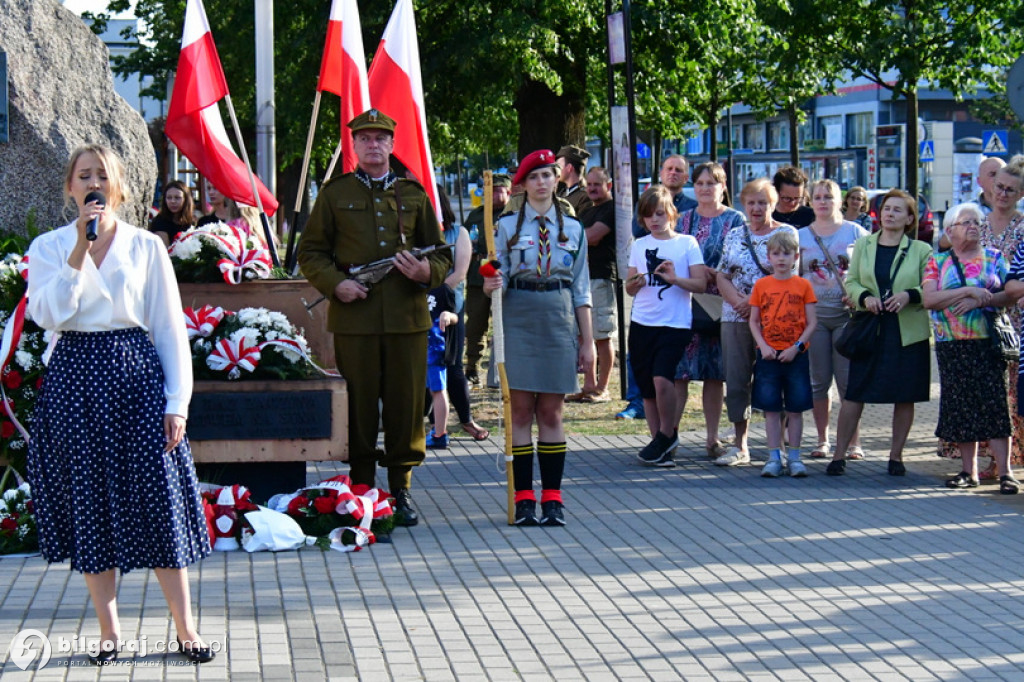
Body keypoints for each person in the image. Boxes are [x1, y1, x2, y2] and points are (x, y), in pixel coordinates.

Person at [26, 145, 213, 664]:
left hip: (136, 379)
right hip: (76, 382)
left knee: (158, 499)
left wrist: (178, 402)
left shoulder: (145, 247)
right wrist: (79, 253)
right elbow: (48, 314)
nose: (93, 183)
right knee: (90, 504)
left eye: (102, 176)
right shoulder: (49, 247)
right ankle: (110, 634)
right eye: (83, 176)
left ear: (119, 187)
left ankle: (186, 630)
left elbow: (169, 326)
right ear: (69, 188)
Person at [297, 109, 451, 527]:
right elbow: (310, 253)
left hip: (407, 319)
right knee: (360, 407)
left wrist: (425, 274)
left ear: (391, 144)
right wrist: (336, 285)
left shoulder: (414, 193)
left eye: (380, 138)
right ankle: (362, 487)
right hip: (356, 319)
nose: (372, 145)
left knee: (405, 405)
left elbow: (440, 254)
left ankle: (400, 488)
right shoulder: (334, 194)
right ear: (354, 145)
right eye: (364, 138)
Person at [482, 149, 594, 527]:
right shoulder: (507, 226)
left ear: (557, 178)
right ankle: (524, 497)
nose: (542, 182)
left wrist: (588, 342)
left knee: (551, 410)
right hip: (518, 314)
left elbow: (582, 290)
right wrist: (489, 281)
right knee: (520, 410)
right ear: (524, 184)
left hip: (558, 316)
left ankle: (554, 497)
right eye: (534, 177)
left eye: (548, 175)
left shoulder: (575, 229)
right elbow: (495, 277)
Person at [827, 190, 933, 477]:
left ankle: (896, 456)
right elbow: (852, 282)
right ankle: (838, 456)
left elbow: (933, 288)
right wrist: (864, 297)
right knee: (855, 392)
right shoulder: (863, 245)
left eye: (898, 210)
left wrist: (910, 295)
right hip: (870, 329)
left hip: (907, 331)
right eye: (887, 208)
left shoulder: (922, 250)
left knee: (905, 394)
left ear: (910, 218)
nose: (890, 214)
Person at [923, 203, 1021, 494]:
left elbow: (1010, 294)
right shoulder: (937, 262)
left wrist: (983, 300)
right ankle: (969, 471)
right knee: (961, 407)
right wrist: (967, 291)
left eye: (977, 221)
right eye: (966, 222)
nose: (974, 226)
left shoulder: (994, 258)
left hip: (988, 343)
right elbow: (930, 299)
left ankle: (1006, 472)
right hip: (951, 344)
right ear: (950, 230)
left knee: (995, 407)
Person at [938, 156, 1024, 475]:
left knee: (1008, 393)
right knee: (979, 391)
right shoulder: (977, 222)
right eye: (998, 186)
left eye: (1010, 190)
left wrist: (992, 296)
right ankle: (977, 463)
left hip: (1012, 319)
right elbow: (949, 254)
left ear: (1020, 194)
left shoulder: (1022, 227)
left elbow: (1016, 283)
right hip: (970, 320)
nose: (1002, 194)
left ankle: (1002, 462)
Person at [715, 178, 798, 466]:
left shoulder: (787, 233)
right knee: (737, 380)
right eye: (751, 202)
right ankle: (740, 445)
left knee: (776, 379)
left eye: (762, 202)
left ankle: (779, 447)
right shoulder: (735, 234)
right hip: (735, 316)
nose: (756, 208)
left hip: (775, 319)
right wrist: (738, 301)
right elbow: (722, 274)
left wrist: (756, 305)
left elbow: (791, 274)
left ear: (772, 204)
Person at [625, 186, 706, 467]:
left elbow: (701, 284)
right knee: (647, 387)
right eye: (648, 216)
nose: (654, 220)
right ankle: (661, 448)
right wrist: (633, 285)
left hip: (674, 324)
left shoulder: (687, 243)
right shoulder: (639, 245)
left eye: (659, 214)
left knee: (663, 379)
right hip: (641, 323)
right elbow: (629, 287)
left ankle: (667, 433)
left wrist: (674, 279)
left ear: (671, 212)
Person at [676, 162, 745, 458]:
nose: (705, 188)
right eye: (700, 183)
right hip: (686, 301)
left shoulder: (736, 219)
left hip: (722, 304)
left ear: (723, 186)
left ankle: (712, 439)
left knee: (714, 374)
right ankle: (670, 435)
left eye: (712, 182)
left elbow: (742, 261)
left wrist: (711, 272)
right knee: (680, 372)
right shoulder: (682, 220)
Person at [799, 179, 868, 461]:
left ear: (840, 201)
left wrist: (860, 295)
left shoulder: (857, 232)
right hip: (814, 317)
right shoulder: (800, 235)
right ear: (811, 201)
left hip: (846, 317)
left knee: (848, 382)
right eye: (818, 197)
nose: (823, 201)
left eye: (829, 196)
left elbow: (867, 271)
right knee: (818, 381)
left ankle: (854, 441)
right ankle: (822, 439)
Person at [748, 230, 817, 478]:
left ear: (795, 256)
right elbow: (754, 322)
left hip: (795, 356)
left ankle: (795, 457)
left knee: (796, 408)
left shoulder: (803, 285)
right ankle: (773, 456)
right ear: (768, 257)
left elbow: (811, 323)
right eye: (776, 254)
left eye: (786, 254)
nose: (781, 259)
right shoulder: (761, 285)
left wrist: (796, 347)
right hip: (768, 356)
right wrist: (763, 346)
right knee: (771, 409)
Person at [436, 186, 489, 441]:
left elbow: (460, 273)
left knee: (453, 365)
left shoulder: (459, 234)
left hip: (448, 307)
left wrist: (436, 292)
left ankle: (466, 420)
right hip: (415, 307)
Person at [567, 166, 617, 403]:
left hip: (600, 278)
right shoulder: (588, 211)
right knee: (582, 336)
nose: (593, 189)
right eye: (590, 184)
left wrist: (568, 238)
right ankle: (587, 386)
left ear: (609, 186)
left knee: (601, 335)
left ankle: (602, 388)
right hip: (581, 279)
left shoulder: (611, 210)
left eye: (598, 184)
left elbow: (592, 237)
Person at [463, 174, 512, 386]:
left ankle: (505, 371)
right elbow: (465, 243)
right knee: (475, 324)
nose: (492, 194)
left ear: (508, 192)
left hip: (503, 277)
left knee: (506, 324)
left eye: (498, 190)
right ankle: (472, 366)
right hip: (477, 277)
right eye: (488, 190)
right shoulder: (475, 216)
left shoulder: (513, 216)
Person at [425, 283, 458, 449]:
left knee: (437, 390)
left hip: (434, 348)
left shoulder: (442, 289)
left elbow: (456, 316)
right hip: (410, 347)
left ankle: (439, 434)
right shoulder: (406, 286)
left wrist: (448, 315)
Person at [631, 155, 698, 238]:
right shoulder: (645, 202)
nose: (673, 172)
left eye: (678, 170)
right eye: (669, 169)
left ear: (686, 178)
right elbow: (637, 232)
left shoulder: (693, 207)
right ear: (661, 174)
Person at [149, 180, 196, 246]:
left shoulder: (193, 222)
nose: (173, 201)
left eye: (177, 198)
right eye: (169, 198)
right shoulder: (160, 222)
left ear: (186, 199)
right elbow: (164, 251)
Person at [555, 144, 593, 216]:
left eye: (559, 166)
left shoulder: (585, 197)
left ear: (569, 168)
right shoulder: (562, 193)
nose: (556, 170)